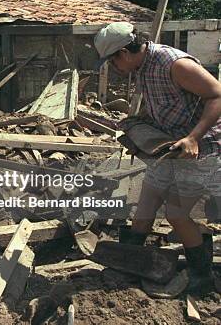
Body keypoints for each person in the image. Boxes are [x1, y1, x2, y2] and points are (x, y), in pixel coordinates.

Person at [94, 22, 221, 293]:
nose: (114, 69)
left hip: (203, 148)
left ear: (124, 54)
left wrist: (194, 137)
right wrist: (141, 137)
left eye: (112, 62)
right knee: (146, 204)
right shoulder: (142, 67)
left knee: (176, 214)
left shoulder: (174, 64)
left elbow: (217, 95)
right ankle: (129, 262)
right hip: (171, 148)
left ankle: (203, 275)